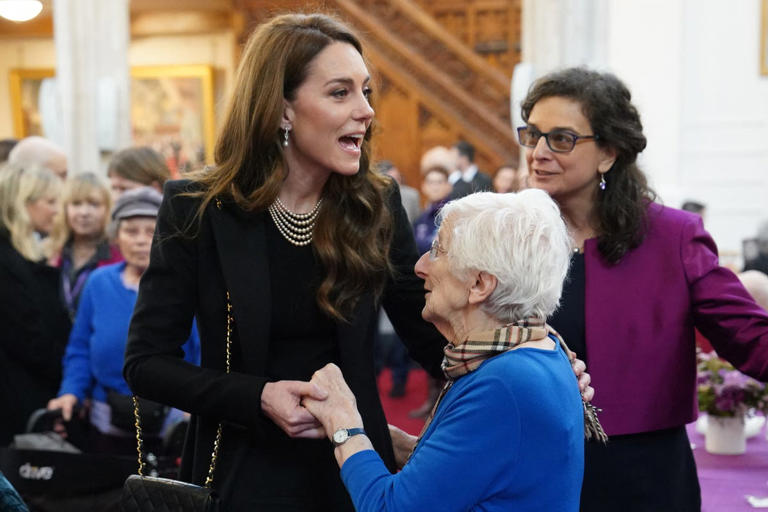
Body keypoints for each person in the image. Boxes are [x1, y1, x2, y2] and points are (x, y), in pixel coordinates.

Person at [123, 14, 591, 510]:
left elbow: (428, 326)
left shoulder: (375, 204)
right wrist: (256, 397)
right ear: (282, 109)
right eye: (340, 93)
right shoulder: (198, 206)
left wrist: (524, 360)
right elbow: (146, 363)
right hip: (242, 467)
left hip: (354, 466)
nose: (366, 111)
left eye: (366, 91)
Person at [518, 66, 768, 511]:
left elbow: (749, 336)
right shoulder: (509, 235)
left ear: (609, 153)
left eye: (562, 138)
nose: (538, 152)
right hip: (531, 468)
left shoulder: (673, 237)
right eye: (532, 134)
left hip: (644, 476)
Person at [303, 190, 587, 511]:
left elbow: (388, 508)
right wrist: (400, 446)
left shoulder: (503, 381)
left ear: (480, 285)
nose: (420, 266)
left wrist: (343, 423)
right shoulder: (529, 353)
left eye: (438, 250)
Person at [47, 187, 199, 454]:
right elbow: (80, 349)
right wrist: (71, 392)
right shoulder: (99, 282)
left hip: (173, 420)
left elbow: (202, 352)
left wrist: (194, 406)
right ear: (116, 236)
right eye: (131, 231)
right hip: (106, 419)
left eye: (151, 231)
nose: (141, 240)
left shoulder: (185, 285)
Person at [0, 163, 69, 446]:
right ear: (24, 203)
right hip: (19, 404)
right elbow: (30, 338)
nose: (57, 210)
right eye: (50, 201)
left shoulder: (26, 254)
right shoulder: (7, 261)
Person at [48, 172, 122, 320]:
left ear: (107, 209)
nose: (84, 212)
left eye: (94, 204)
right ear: (64, 209)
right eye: (76, 204)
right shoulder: (49, 252)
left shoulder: (120, 256)